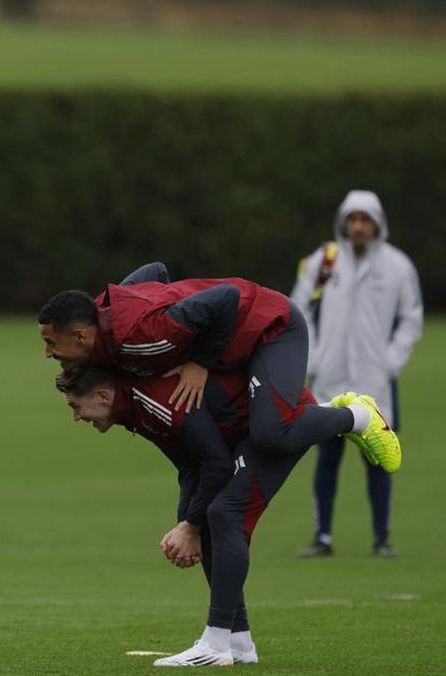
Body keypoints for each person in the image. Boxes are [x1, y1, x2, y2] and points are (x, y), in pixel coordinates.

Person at [56, 364, 316, 667]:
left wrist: (190, 526)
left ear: (103, 396)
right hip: (248, 433)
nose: (76, 417)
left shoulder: (147, 403)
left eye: (76, 407)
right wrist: (186, 523)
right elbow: (191, 465)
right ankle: (238, 641)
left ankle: (352, 415)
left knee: (223, 515)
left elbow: (217, 465)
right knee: (208, 517)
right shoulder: (132, 412)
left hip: (284, 417)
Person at [36, 264, 402, 474]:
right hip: (237, 350)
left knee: (272, 434)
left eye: (51, 343)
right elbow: (155, 271)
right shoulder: (103, 320)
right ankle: (328, 413)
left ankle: (357, 416)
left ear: (80, 335)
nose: (47, 353)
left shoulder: (139, 335)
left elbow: (225, 298)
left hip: (270, 327)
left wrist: (199, 362)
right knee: (263, 433)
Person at [290, 191, 423, 558]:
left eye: (365, 220)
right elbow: (298, 310)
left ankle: (382, 537)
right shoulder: (324, 261)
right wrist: (314, 357)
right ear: (343, 223)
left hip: (375, 380)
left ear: (377, 224)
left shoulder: (397, 266)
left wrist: (391, 360)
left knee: (379, 457)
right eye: (353, 219)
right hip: (330, 378)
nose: (359, 227)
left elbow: (411, 318)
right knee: (326, 457)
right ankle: (322, 536)